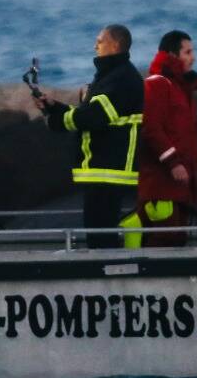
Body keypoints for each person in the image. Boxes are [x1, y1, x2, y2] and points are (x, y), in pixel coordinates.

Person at [37, 24, 144, 249]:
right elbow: (88, 113)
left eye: (100, 41)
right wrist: (53, 107)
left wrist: (56, 120)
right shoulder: (110, 75)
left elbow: (95, 117)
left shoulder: (121, 78)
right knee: (97, 230)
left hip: (110, 168)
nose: (95, 45)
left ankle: (108, 276)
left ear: (115, 45)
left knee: (101, 234)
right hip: (102, 168)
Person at [137, 29, 197, 247]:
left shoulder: (182, 89)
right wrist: (173, 163)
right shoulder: (158, 84)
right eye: (187, 52)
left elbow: (188, 140)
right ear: (172, 55)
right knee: (163, 241)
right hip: (161, 187)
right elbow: (151, 128)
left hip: (180, 189)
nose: (193, 58)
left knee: (176, 240)